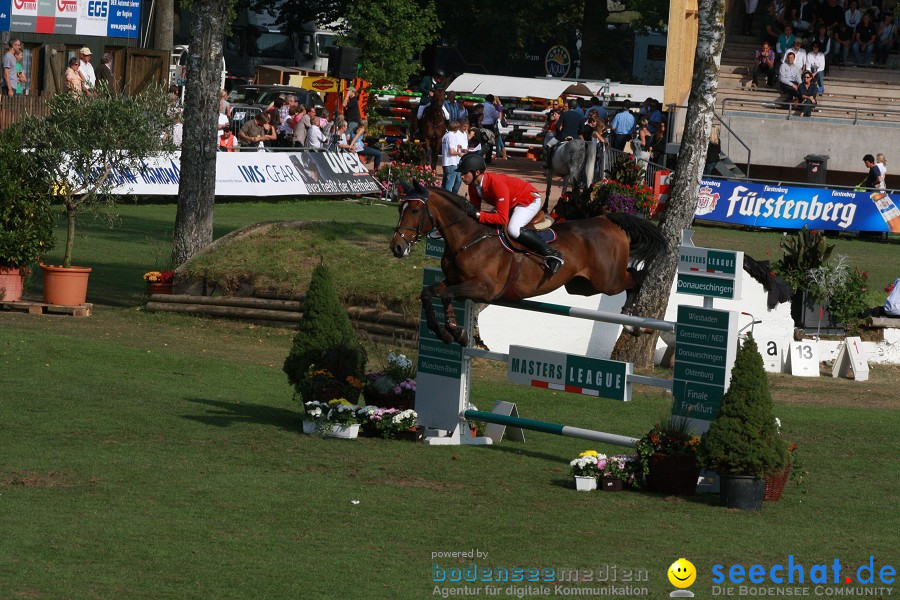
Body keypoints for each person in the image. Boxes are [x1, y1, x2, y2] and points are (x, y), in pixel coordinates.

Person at [457, 152, 564, 274]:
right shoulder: (473, 186)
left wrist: (478, 215)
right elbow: (476, 211)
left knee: (513, 229)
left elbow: (501, 219)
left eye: (464, 173)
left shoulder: (496, 184)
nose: (461, 176)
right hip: (511, 203)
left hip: (528, 200)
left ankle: (551, 253)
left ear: (476, 173)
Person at [441, 120, 465, 193]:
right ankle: (448, 200)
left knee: (445, 183)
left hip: (445, 162)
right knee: (449, 184)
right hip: (451, 162)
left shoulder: (446, 135)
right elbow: (451, 152)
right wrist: (459, 153)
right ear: (457, 128)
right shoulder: (452, 136)